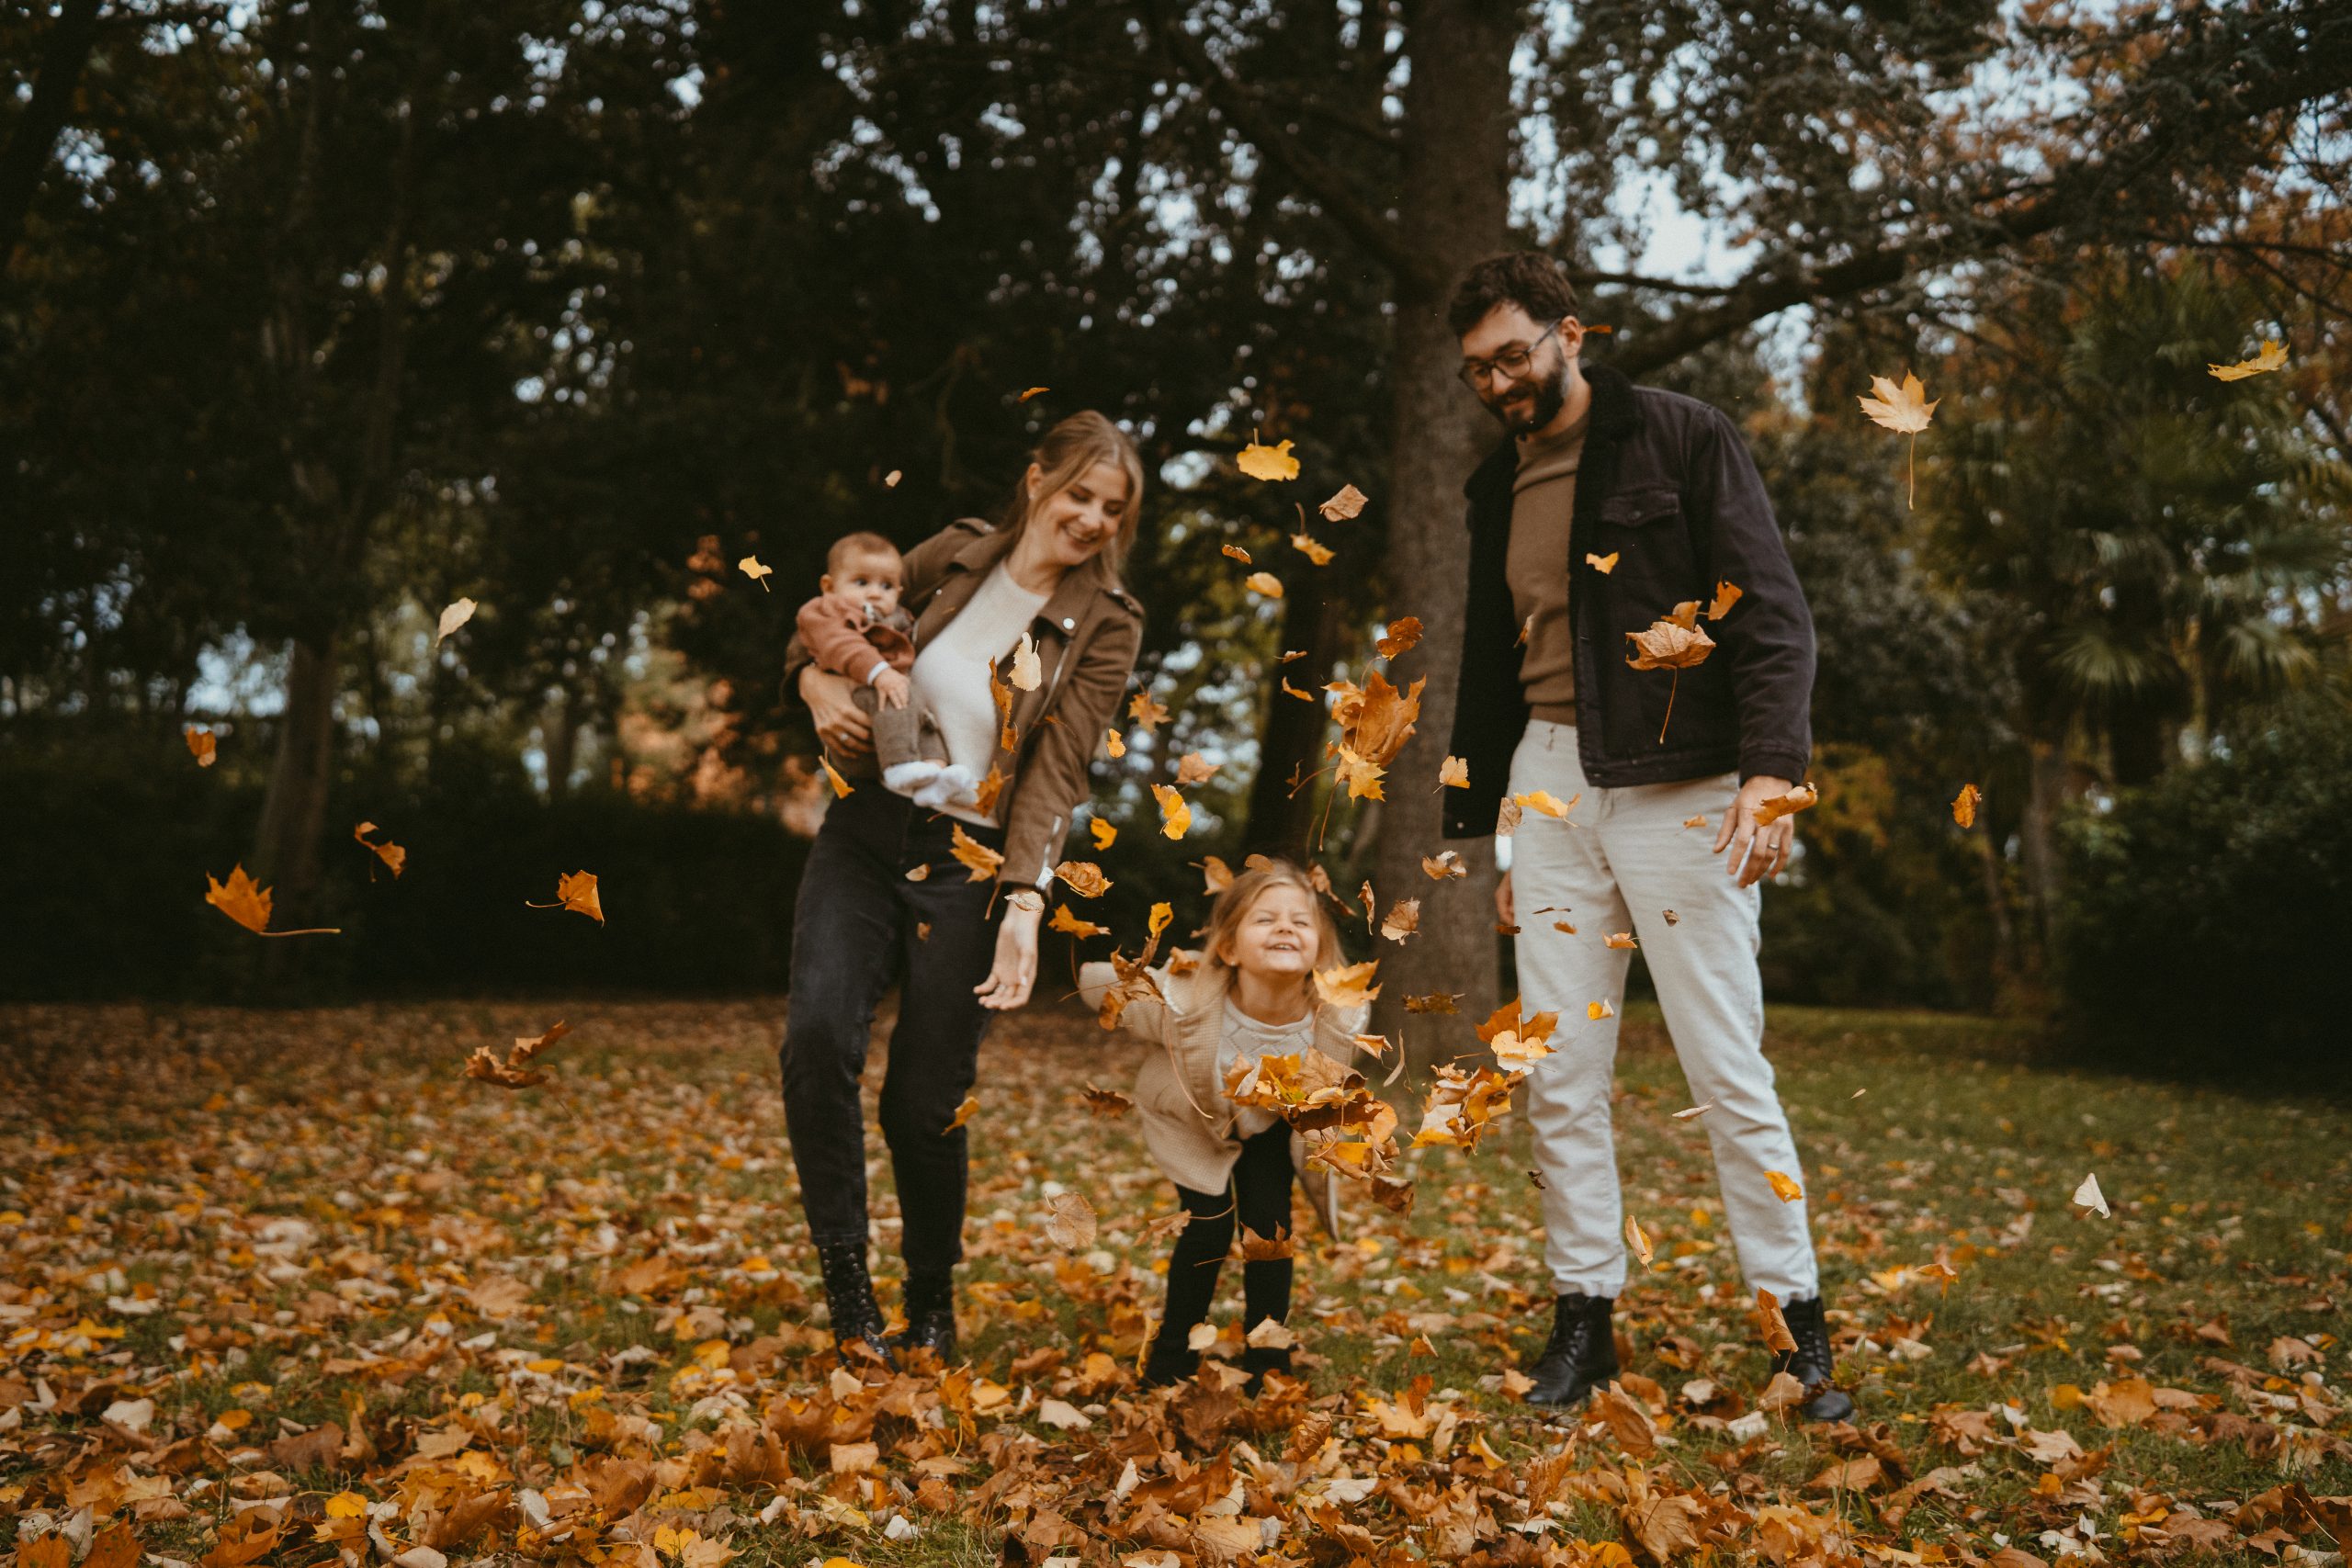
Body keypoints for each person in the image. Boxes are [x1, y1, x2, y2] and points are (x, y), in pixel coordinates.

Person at [1438, 252, 1853, 1421]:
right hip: (1553, 786)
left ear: (1570, 334)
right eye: (1477, 369)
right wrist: (1502, 825)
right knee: (1559, 1073)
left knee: (1725, 1068)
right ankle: (1585, 1320)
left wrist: (1772, 773)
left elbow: (1771, 610)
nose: (1499, 382)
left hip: (1684, 786)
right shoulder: (1492, 487)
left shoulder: (1679, 436)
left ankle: (1795, 1331)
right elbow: (1493, 666)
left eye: (1514, 354)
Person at [779, 411, 1145, 1368]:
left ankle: (929, 1305)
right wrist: (811, 689)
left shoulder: (1107, 622)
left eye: (1111, 508)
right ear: (1037, 482)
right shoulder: (952, 554)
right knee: (817, 1038)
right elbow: (835, 623)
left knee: (923, 1099)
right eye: (1078, 495)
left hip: (974, 864)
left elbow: (1059, 769)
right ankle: (849, 1296)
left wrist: (1026, 904)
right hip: (865, 831)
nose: (1092, 518)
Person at [1077, 859, 1365, 1393]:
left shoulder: (1335, 1020)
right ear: (1230, 949)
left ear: (1321, 951)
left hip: (1273, 1122)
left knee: (1269, 1232)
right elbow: (1109, 994)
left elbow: (1331, 1093)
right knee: (1208, 1225)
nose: (1286, 927)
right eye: (1266, 920)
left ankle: (1269, 1361)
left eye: (1301, 922)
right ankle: (1171, 1355)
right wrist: (1101, 978)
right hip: (1191, 1118)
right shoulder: (1187, 1003)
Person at [791, 531, 971, 809]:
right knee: (893, 699)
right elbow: (842, 645)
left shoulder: (898, 619)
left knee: (924, 719)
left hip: (892, 706)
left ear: (899, 592)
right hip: (857, 700)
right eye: (861, 582)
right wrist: (880, 673)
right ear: (828, 586)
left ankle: (934, 776)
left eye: (886, 586)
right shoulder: (825, 611)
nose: (875, 593)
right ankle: (899, 766)